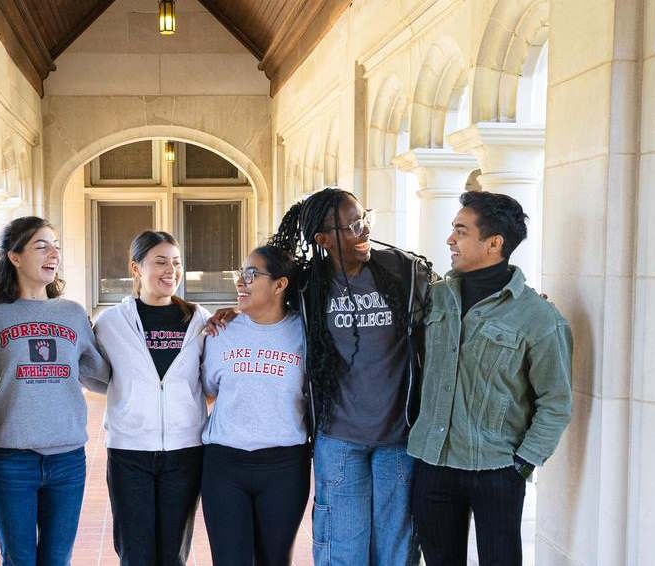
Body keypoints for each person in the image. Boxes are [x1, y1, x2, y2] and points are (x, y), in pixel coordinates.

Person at [214, 187, 434, 565]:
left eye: (364, 219)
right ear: (322, 240)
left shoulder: (404, 272)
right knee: (340, 550)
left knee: (395, 552)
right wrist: (233, 311)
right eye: (351, 226)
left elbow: (450, 303)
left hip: (398, 438)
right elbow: (268, 293)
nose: (363, 231)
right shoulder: (306, 284)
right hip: (338, 439)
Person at [408, 191, 573, 566]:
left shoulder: (540, 318)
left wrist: (523, 462)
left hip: (497, 469)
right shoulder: (433, 299)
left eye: (461, 231)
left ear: (494, 243)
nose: (450, 239)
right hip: (432, 463)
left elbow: (556, 401)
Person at [0, 216, 109, 566]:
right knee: (18, 559)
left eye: (57, 246)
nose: (54, 254)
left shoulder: (72, 313)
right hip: (10, 459)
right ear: (15, 257)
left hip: (67, 459)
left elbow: (101, 375)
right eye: (42, 246)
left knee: (57, 559)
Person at [89, 231, 212, 566]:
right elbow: (95, 376)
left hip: (185, 450)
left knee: (174, 553)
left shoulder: (200, 320)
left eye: (176, 263)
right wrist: (130, 398)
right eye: (160, 262)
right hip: (129, 451)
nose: (170, 270)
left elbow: (211, 378)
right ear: (136, 268)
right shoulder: (110, 323)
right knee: (135, 553)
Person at [198, 245, 311, 566]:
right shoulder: (220, 332)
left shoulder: (305, 333)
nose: (240, 282)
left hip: (284, 468)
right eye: (240, 274)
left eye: (252, 274)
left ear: (280, 284)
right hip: (224, 466)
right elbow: (207, 392)